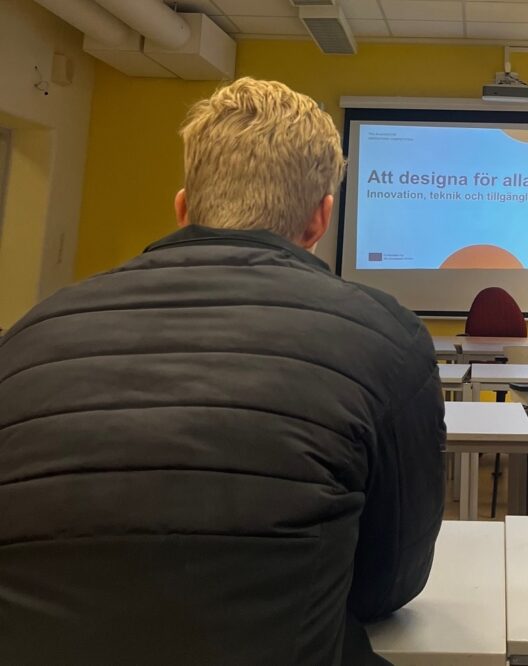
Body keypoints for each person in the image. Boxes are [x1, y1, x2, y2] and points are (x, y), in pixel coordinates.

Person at [0, 78, 446, 666]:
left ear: (184, 208)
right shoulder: (390, 338)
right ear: (321, 218)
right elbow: (391, 582)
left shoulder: (26, 336)